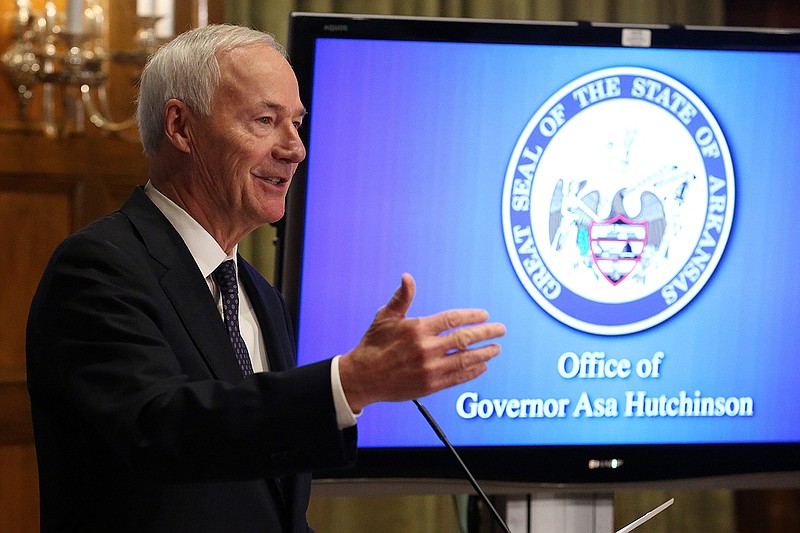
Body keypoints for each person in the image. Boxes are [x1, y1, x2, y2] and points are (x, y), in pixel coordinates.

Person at [26, 24, 505, 533]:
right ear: (181, 127)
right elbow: (162, 431)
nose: (295, 149)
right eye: (265, 121)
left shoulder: (259, 295)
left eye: (297, 125)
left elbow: (273, 506)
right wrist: (350, 382)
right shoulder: (100, 267)